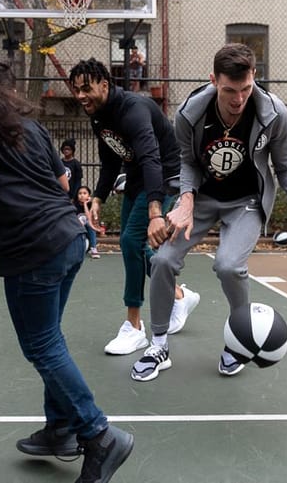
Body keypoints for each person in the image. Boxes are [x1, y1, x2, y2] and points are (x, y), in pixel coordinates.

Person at [0, 60, 133, 482]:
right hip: (70, 238)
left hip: (33, 248)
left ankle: (98, 434)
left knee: (41, 346)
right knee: (50, 339)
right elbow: (61, 185)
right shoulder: (30, 128)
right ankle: (60, 428)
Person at [131, 43, 287, 382]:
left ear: (254, 78)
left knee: (229, 266)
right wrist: (186, 199)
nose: (238, 99)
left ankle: (239, 339)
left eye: (245, 89)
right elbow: (187, 162)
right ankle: (158, 344)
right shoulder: (190, 113)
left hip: (246, 201)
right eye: (230, 90)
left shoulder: (273, 112)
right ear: (213, 81)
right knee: (161, 261)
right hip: (202, 198)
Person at [69, 57, 198, 356]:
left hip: (164, 177)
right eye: (76, 90)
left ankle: (135, 327)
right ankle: (180, 296)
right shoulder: (99, 114)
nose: (80, 96)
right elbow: (111, 159)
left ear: (105, 84)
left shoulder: (134, 110)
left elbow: (152, 158)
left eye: (86, 88)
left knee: (129, 242)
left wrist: (156, 212)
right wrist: (98, 196)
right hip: (138, 180)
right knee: (141, 250)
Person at [76, 185, 103, 259]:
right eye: (80, 193)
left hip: (88, 230)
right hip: (77, 231)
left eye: (84, 193)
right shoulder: (74, 205)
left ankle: (93, 248)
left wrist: (85, 204)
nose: (82, 195)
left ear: (88, 195)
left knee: (90, 224)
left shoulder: (91, 205)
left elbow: (89, 218)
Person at [60, 138, 83, 203]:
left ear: (72, 151)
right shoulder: (59, 162)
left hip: (72, 193)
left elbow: (78, 181)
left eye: (68, 149)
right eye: (65, 149)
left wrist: (74, 196)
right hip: (60, 193)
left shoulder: (76, 164)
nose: (66, 151)